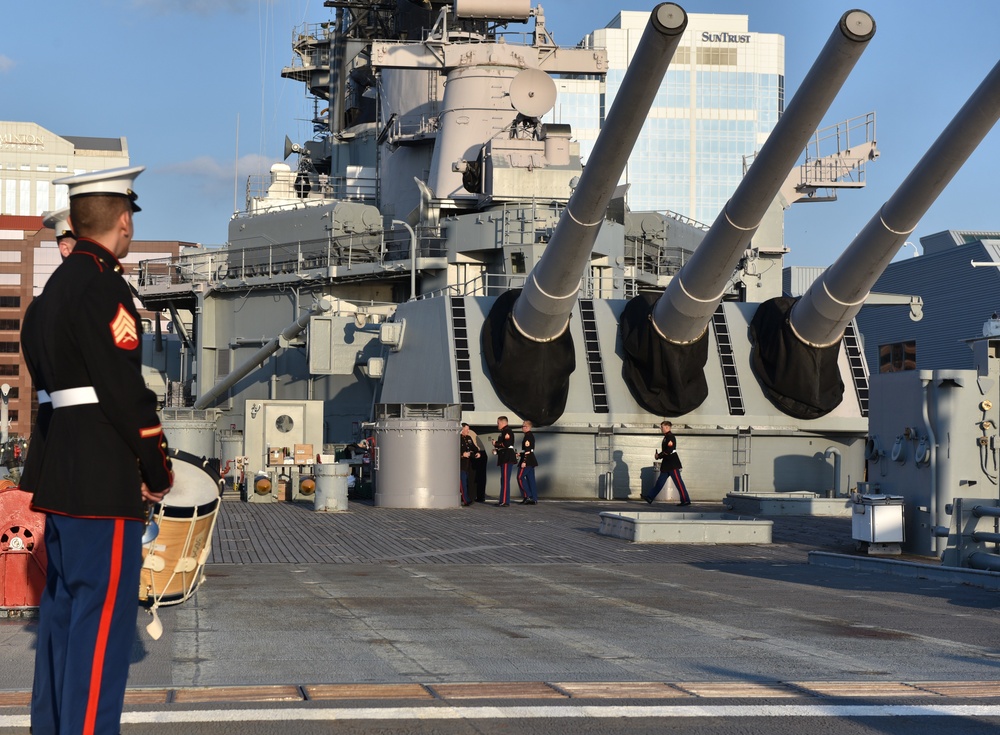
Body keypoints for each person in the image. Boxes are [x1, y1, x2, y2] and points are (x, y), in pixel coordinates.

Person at [22, 165, 174, 735]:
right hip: (102, 484)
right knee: (102, 630)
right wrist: (155, 470)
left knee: (61, 621)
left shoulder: (48, 299)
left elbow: (50, 400)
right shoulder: (106, 287)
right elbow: (125, 393)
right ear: (124, 220)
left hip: (59, 480)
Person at [641, 420, 691, 506]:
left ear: (667, 427)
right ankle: (650, 497)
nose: (661, 428)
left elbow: (669, 450)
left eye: (662, 427)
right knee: (659, 482)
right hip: (667, 464)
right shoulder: (666, 437)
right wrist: (659, 455)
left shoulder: (670, 437)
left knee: (678, 482)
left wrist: (658, 456)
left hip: (672, 464)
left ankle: (685, 500)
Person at [492, 416, 516, 506]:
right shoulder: (502, 432)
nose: (497, 424)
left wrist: (496, 444)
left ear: (503, 422)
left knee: (505, 480)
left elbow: (506, 444)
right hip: (503, 457)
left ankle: (505, 501)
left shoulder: (507, 431)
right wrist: (497, 450)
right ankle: (502, 500)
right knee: (503, 479)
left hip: (507, 457)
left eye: (498, 422)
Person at [517, 419, 539, 504]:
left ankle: (527, 496)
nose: (522, 428)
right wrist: (521, 454)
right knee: (531, 479)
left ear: (527, 427)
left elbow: (528, 450)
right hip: (531, 459)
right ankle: (534, 498)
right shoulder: (530, 435)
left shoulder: (527, 436)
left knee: (520, 477)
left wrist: (524, 460)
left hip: (528, 461)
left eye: (523, 426)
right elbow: (529, 450)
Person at [459, 423, 480, 506]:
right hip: (461, 465)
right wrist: (462, 455)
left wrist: (477, 453)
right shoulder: (457, 438)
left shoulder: (468, 438)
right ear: (462, 429)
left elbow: (474, 448)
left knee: (468, 482)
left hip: (468, 465)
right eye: (467, 429)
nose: (468, 431)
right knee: (463, 483)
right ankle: (466, 500)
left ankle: (468, 498)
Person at [467, 426, 489, 502]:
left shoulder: (467, 433)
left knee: (473, 476)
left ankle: (472, 496)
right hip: (481, 453)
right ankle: (480, 496)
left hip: (478, 453)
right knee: (480, 476)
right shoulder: (471, 432)